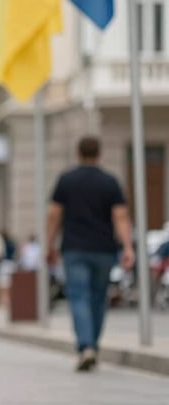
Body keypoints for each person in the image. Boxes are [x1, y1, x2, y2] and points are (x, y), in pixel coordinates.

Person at [47, 135, 135, 372]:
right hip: (104, 250)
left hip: (75, 248)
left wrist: (48, 245)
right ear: (99, 154)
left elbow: (54, 215)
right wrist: (128, 246)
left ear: (78, 153)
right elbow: (121, 217)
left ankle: (86, 345)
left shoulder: (66, 180)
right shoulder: (110, 182)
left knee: (78, 297)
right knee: (98, 298)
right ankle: (92, 345)